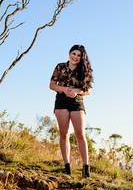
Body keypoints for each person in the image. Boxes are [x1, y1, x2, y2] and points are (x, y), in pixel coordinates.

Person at [49, 44, 93, 178]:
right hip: (61, 101)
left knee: (80, 134)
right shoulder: (60, 67)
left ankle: (86, 168)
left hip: (77, 102)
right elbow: (51, 85)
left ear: (82, 58)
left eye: (79, 55)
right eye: (74, 53)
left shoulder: (84, 70)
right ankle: (67, 166)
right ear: (69, 53)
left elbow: (89, 90)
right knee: (64, 134)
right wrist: (64, 90)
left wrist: (76, 91)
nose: (75, 57)